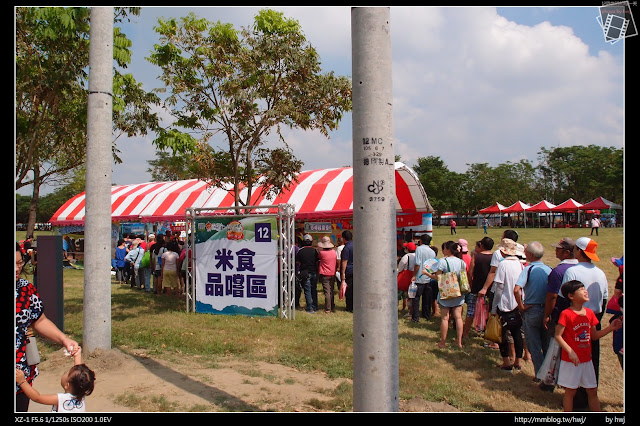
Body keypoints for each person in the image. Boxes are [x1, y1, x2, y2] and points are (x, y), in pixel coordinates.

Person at [16, 243, 80, 412]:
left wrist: (63, 339)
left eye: (19, 263)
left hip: (19, 372)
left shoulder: (26, 289)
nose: (17, 268)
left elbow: (40, 320)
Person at [555, 280, 622, 412]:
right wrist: (570, 351)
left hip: (587, 360)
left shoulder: (590, 313)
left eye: (584, 288)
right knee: (570, 392)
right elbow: (558, 336)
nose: (585, 291)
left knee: (592, 391)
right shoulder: (566, 314)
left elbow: (594, 336)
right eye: (581, 290)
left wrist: (611, 328)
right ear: (571, 296)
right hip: (571, 362)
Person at [560, 237, 609, 409]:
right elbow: (604, 299)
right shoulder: (601, 273)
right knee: (591, 358)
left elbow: (563, 298)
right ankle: (590, 395)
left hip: (574, 319)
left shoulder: (572, 272)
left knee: (572, 359)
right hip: (593, 318)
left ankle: (576, 400)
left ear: (579, 251)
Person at [485, 238, 526, 370]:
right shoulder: (520, 265)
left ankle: (506, 361)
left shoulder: (503, 264)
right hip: (517, 303)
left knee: (502, 333)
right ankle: (518, 361)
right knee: (517, 333)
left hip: (504, 304)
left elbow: (499, 288)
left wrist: (494, 307)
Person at [15, 346, 95, 412]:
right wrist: (77, 355)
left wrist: (22, 381)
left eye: (66, 373)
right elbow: (78, 372)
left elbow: (37, 397)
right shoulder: (81, 394)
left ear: (67, 385)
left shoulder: (62, 399)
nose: (65, 373)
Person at [514, 241, 552, 379]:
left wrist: (521, 306)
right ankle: (550, 373)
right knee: (546, 344)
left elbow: (516, 290)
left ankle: (540, 375)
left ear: (529, 254)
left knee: (534, 345)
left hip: (531, 309)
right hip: (546, 309)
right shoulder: (549, 269)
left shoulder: (528, 269)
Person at [422, 241, 466, 348]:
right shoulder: (461, 262)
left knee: (445, 318)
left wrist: (427, 274)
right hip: (458, 291)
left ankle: (443, 342)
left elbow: (438, 278)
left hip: (446, 291)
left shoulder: (442, 261)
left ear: (448, 249)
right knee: (458, 317)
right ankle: (459, 342)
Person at [463, 237, 494, 339]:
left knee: (471, 312)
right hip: (489, 288)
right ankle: (487, 333)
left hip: (476, 287)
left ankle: (465, 333)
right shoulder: (494, 257)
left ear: (482, 245)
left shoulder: (476, 256)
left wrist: (469, 282)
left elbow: (470, 272)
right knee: (489, 311)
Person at [411, 233, 437, 322]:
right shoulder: (432, 252)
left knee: (416, 298)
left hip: (419, 277)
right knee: (427, 298)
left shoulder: (419, 249)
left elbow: (417, 263)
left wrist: (414, 275)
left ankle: (415, 317)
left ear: (420, 241)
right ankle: (426, 315)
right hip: (428, 277)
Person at [296, 234, 319, 313]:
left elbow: (298, 262)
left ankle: (309, 307)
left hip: (305, 272)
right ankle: (315, 305)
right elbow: (317, 261)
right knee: (314, 290)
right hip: (314, 272)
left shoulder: (300, 251)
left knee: (307, 290)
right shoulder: (314, 251)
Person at [317, 236, 337, 313]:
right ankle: (332, 305)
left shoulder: (321, 253)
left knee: (327, 292)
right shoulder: (334, 252)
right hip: (332, 273)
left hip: (324, 274)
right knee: (331, 290)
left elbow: (318, 257)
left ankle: (328, 308)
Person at [397, 242, 417, 316]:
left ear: (407, 249)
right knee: (412, 294)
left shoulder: (406, 257)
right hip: (414, 275)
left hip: (406, 276)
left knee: (405, 293)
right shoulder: (416, 256)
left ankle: (408, 310)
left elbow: (401, 267)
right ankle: (411, 310)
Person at [340, 230, 355, 312]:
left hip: (349, 270)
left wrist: (342, 273)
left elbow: (344, 261)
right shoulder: (356, 245)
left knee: (349, 291)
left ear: (343, 238)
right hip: (357, 270)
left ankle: (350, 307)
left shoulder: (346, 247)